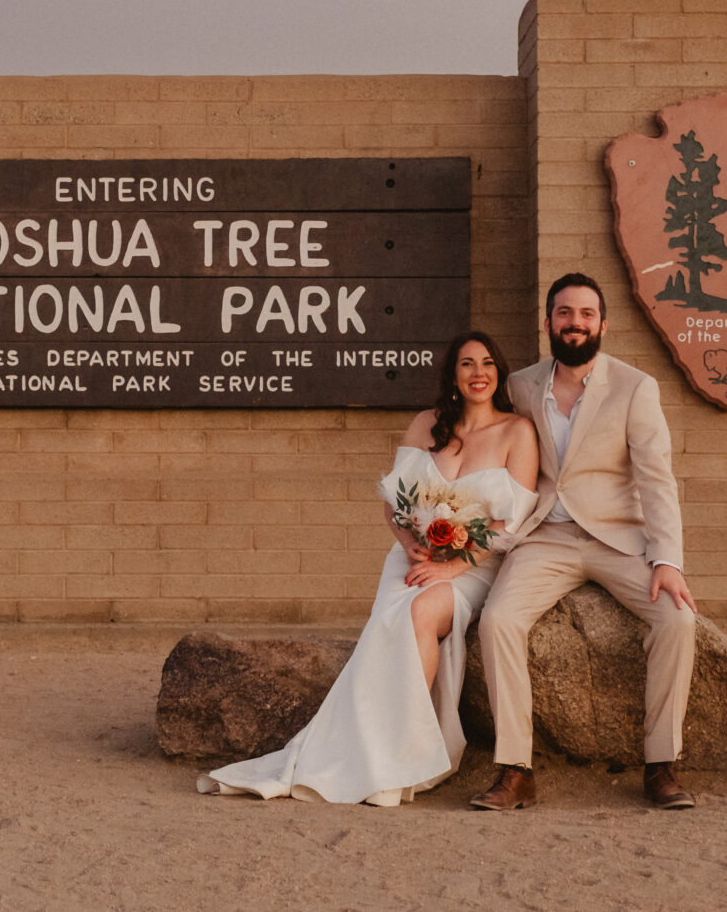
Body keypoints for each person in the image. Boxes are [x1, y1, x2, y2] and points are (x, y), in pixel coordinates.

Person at [197, 331, 539, 806]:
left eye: (486, 363)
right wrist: (410, 543)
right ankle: (375, 751)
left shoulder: (517, 432)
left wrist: (452, 565)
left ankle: (400, 755)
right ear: (453, 376)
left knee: (420, 612)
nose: (478, 373)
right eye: (466, 364)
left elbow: (509, 524)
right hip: (412, 557)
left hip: (474, 567)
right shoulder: (427, 424)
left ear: (498, 372)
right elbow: (393, 503)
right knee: (398, 616)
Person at [468, 273, 699, 812]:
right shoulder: (521, 385)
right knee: (498, 619)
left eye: (587, 314)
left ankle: (661, 765)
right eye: (565, 313)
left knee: (678, 620)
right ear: (548, 321)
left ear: (602, 323)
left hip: (620, 539)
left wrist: (667, 559)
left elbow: (656, 479)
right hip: (545, 537)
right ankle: (515, 769)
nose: (575, 322)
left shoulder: (635, 387)